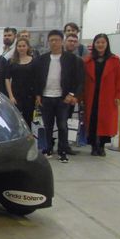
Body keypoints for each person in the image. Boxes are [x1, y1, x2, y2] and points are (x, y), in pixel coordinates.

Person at [34, 29, 79, 163]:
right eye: (51, 40)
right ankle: (48, 149)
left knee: (62, 126)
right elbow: (37, 78)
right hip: (46, 97)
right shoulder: (42, 59)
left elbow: (77, 78)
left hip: (62, 98)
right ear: (48, 42)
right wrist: (38, 94)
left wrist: (71, 94)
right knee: (47, 126)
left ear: (62, 41)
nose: (54, 43)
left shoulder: (71, 59)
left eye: (57, 40)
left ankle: (62, 151)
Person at [83, 34, 120, 157]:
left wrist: (118, 95)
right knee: (92, 120)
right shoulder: (87, 60)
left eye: (103, 42)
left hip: (108, 95)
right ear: (94, 44)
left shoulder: (114, 60)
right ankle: (93, 145)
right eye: (98, 42)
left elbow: (119, 79)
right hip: (91, 95)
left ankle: (101, 146)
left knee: (105, 121)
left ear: (107, 44)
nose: (100, 45)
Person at [5, 38, 36, 128]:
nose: (21, 48)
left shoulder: (34, 61)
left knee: (28, 119)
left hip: (30, 95)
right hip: (16, 95)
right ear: (16, 47)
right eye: (19, 46)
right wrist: (11, 96)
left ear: (28, 47)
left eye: (23, 46)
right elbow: (7, 79)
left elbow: (37, 79)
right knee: (16, 119)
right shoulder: (11, 61)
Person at [64, 33, 86, 155]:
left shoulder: (79, 61)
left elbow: (80, 80)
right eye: (70, 40)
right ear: (65, 42)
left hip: (70, 97)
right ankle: (50, 144)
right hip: (55, 95)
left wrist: (75, 96)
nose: (72, 43)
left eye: (74, 41)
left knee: (66, 121)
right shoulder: (57, 58)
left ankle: (65, 145)